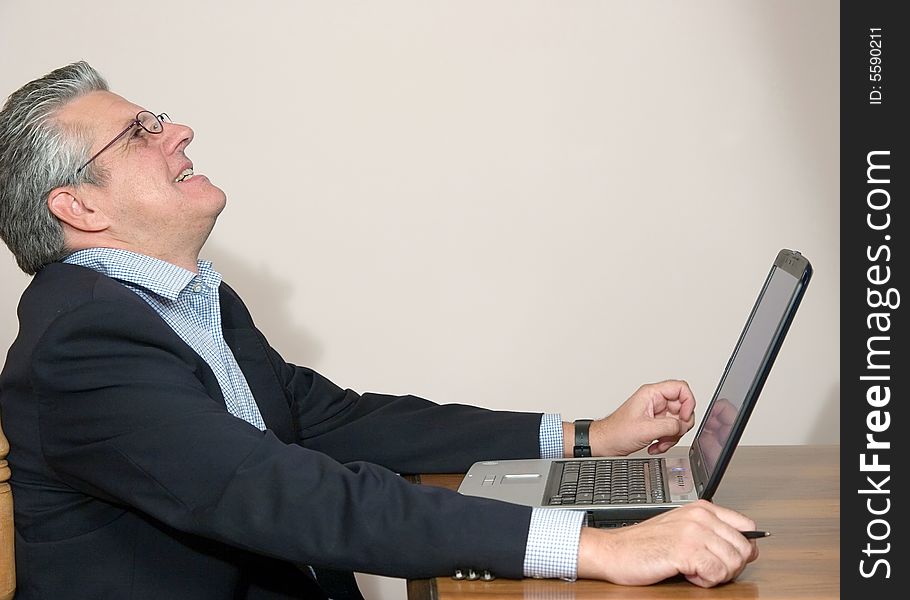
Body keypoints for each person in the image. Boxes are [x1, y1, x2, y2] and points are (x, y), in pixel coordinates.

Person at [0, 62, 759, 599]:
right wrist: (598, 549)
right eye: (140, 132)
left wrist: (584, 437)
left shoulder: (188, 302)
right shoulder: (82, 343)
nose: (178, 131)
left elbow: (332, 420)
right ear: (79, 208)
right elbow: (282, 492)